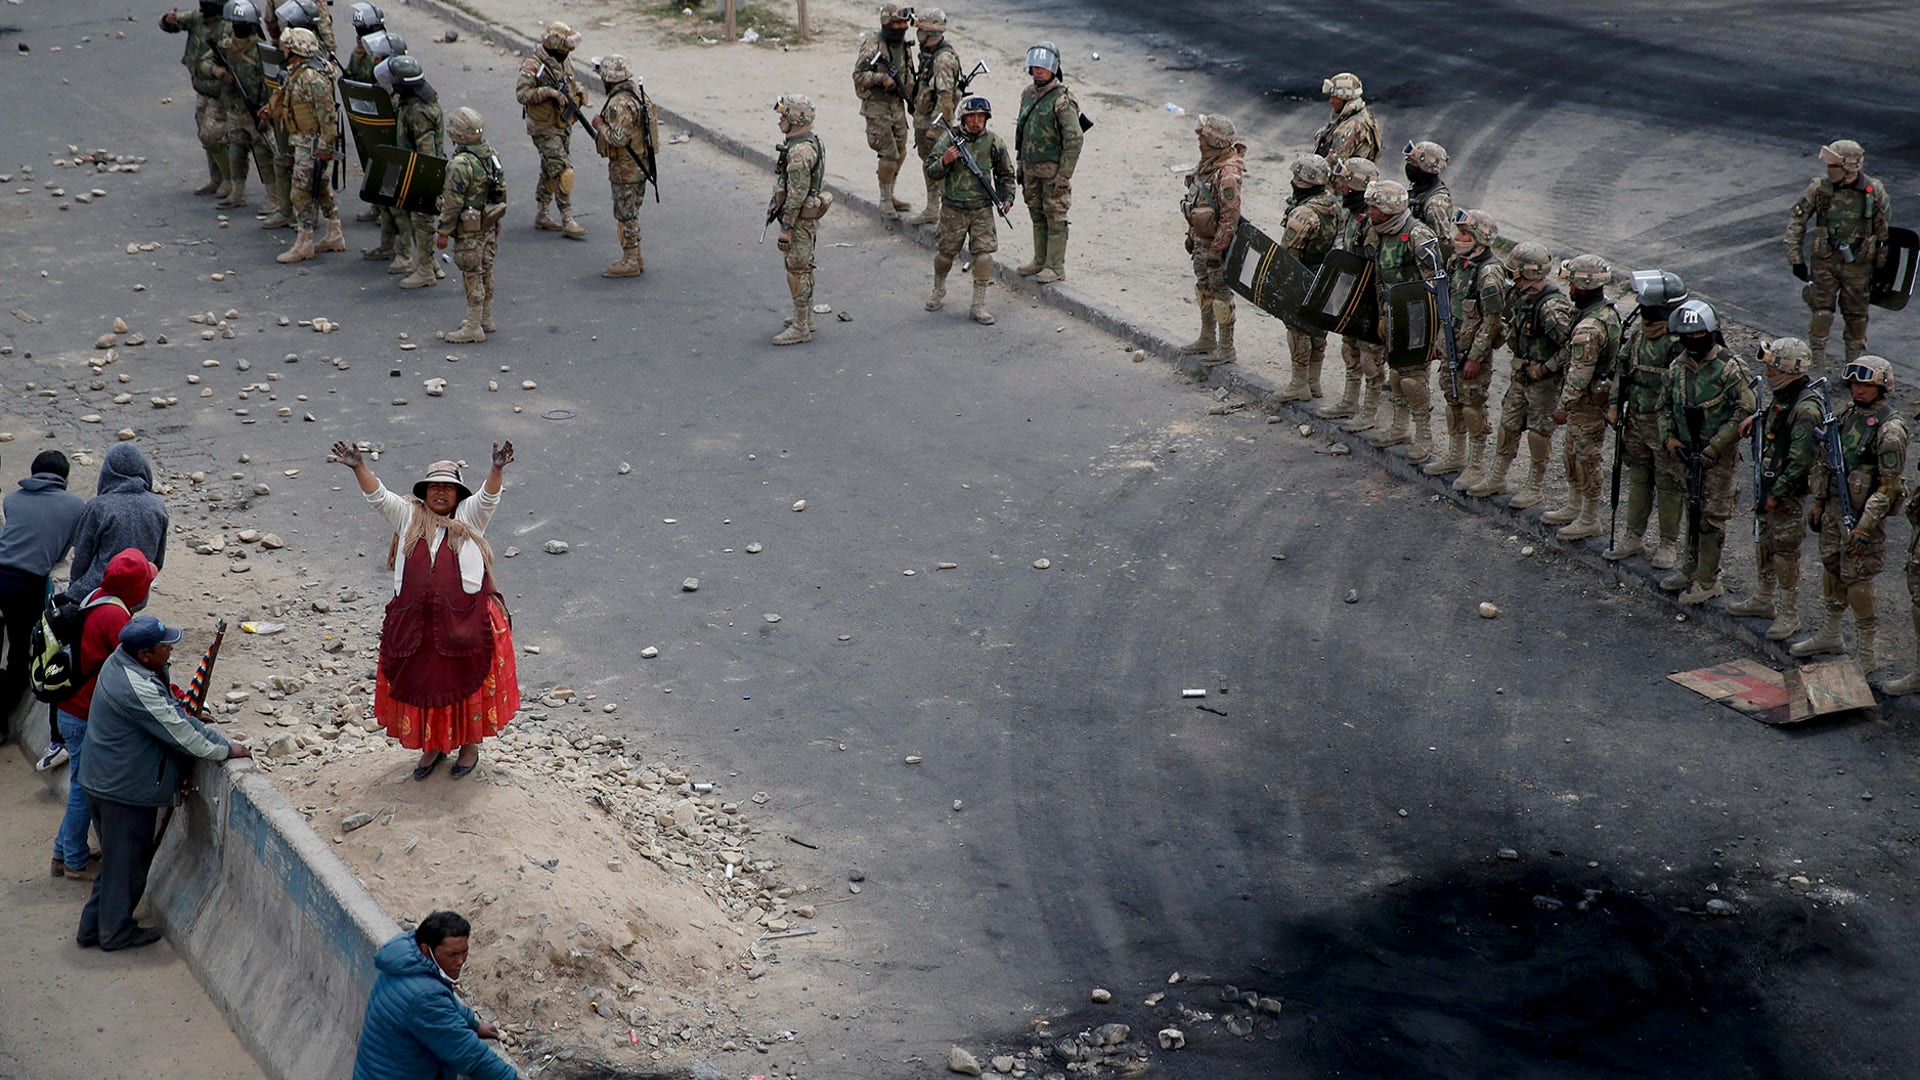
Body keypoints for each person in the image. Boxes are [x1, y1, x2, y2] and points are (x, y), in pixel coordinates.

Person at [333, 442, 518, 779]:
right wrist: (359, 466)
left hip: (465, 623)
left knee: (466, 684)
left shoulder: (469, 518)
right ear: (425, 492)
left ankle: (469, 746)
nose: (441, 493)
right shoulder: (407, 518)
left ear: (458, 494)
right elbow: (379, 496)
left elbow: (489, 497)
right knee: (424, 684)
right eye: (435, 487)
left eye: (448, 487)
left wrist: (496, 470)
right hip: (417, 626)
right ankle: (433, 746)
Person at [79, 614, 250, 951]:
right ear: (145, 654)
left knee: (116, 861)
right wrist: (225, 748)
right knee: (128, 864)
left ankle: (93, 927)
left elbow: (167, 712)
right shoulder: (135, 685)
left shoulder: (122, 663)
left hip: (104, 780)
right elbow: (178, 730)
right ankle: (114, 932)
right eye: (165, 646)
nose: (171, 650)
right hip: (123, 790)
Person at [1791, 356, 1906, 667]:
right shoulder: (1846, 416)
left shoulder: (1890, 429)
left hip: (1861, 517)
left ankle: (1866, 652)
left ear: (1882, 386)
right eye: (1855, 384)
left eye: (1866, 385)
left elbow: (1889, 486)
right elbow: (1825, 459)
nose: (1859, 390)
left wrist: (1866, 527)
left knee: (1858, 578)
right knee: (1832, 567)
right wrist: (1817, 500)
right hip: (1833, 508)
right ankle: (1831, 633)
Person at [49, 550, 155, 883]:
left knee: (81, 784)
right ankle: (75, 862)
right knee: (83, 788)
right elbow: (137, 667)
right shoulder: (116, 618)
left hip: (70, 708)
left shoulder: (98, 597)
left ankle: (63, 850)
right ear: (137, 589)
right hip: (82, 715)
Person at [1655, 300, 1756, 604]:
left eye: (1699, 336)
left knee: (1711, 517)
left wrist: (1715, 446)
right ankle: (1690, 568)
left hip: (1717, 457)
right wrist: (1669, 439)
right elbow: (1663, 407)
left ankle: (1709, 579)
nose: (1693, 343)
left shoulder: (1730, 368)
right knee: (1692, 508)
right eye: (1687, 337)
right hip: (1686, 453)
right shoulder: (1678, 367)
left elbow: (1746, 410)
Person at [1727, 338, 1823, 640]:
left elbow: (1800, 462)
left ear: (1787, 370)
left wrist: (1776, 494)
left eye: (1772, 366)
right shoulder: (1784, 396)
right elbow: (1776, 421)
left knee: (1785, 552)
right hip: (1770, 485)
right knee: (1764, 542)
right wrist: (1758, 419)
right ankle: (1763, 597)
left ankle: (1788, 613)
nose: (1767, 372)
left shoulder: (1806, 408)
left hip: (1785, 493)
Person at [352, 911, 519, 1080]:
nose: (460, 961)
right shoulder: (423, 996)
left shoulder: (407, 962)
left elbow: (445, 1001)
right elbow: (471, 1055)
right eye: (452, 954)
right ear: (427, 949)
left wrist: (472, 1023)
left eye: (464, 952)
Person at [1601, 270, 1688, 563]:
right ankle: (1633, 537)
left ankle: (1668, 544)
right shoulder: (1640, 330)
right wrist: (1614, 404)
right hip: (1637, 419)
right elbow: (1623, 368)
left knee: (1668, 482)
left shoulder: (1680, 341)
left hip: (1665, 426)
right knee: (1638, 478)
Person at [1785, 140, 1891, 368]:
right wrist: (1796, 259)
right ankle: (1818, 365)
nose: (1829, 170)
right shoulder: (1819, 189)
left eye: (1834, 166)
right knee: (1821, 311)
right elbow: (1797, 221)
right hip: (1825, 261)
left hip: (1859, 265)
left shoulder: (1873, 191)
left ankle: (1853, 365)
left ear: (1850, 167)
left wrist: (1882, 262)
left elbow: (1883, 229)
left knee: (1857, 316)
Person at [1355, 179, 1442, 459]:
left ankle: (1425, 437)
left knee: (1413, 380)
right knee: (1395, 377)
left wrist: (1436, 333)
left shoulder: (1418, 235)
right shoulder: (1380, 231)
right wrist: (1382, 315)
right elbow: (1380, 278)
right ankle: (1400, 427)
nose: (1369, 211)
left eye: (1374, 206)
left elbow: (1437, 287)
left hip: (1417, 318)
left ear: (1390, 208)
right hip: (1392, 315)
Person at [1488, 242, 1574, 508]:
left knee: (1538, 433)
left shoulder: (1551, 308)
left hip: (1544, 383)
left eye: (1516, 273)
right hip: (1521, 375)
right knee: (1508, 423)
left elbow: (1572, 348)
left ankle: (1534, 486)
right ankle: (1498, 476)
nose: (1512, 277)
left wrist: (1546, 368)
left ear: (1530, 274)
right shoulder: (1521, 297)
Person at [0, 451, 85, 718]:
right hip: (26, 584)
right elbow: (60, 553)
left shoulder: (11, 500)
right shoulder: (76, 506)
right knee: (20, 649)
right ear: (64, 477)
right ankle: (2, 719)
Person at [1544, 253, 1623, 540]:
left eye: (1573, 285)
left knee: (1586, 458)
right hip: (1586, 402)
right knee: (1572, 454)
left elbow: (1579, 373)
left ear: (1583, 285)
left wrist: (1563, 406)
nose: (1569, 290)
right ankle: (1574, 505)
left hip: (1588, 404)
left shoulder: (1590, 327)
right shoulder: (1599, 312)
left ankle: (1589, 517)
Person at [1432, 209, 1506, 489]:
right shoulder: (1457, 262)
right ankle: (1455, 455)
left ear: (1479, 239)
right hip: (1452, 346)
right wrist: (1442, 343)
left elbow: (1492, 321)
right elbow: (1447, 307)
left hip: (1474, 353)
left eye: (1464, 234)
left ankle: (1475, 466)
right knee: (1452, 401)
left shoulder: (1489, 273)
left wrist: (1476, 357)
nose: (1457, 238)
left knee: (1473, 408)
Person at [925, 95, 1015, 326]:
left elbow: (1006, 174)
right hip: (953, 208)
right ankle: (938, 289)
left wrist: (1007, 199)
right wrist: (945, 160)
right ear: (964, 118)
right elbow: (931, 170)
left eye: (981, 117)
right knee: (945, 255)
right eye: (972, 117)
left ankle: (978, 304)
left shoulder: (994, 142)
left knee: (983, 257)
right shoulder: (949, 139)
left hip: (982, 209)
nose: (976, 122)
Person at [265, 26, 346, 263]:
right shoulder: (299, 71)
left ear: (295, 50)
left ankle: (304, 242)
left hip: (312, 144)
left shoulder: (313, 78)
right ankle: (334, 233)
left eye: (286, 46)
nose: (283, 49)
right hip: (304, 140)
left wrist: (323, 148)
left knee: (300, 193)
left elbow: (328, 118)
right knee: (320, 189)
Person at [1270, 154, 1345, 403]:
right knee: (1318, 328)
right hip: (1326, 276)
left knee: (1298, 328)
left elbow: (1288, 255)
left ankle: (1299, 383)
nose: (1293, 181)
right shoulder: (1334, 206)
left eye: (1298, 178)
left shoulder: (1303, 214)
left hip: (1303, 275)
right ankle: (1314, 381)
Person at [1316, 157, 1382, 421]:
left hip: (1370, 299)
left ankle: (1369, 412)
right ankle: (1349, 402)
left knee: (1371, 359)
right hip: (1352, 294)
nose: (1341, 185)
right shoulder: (1353, 214)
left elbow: (1375, 266)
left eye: (1346, 180)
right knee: (1350, 350)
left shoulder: (1372, 220)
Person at [434, 107, 507, 344]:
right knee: (486, 270)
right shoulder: (491, 155)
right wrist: (497, 221)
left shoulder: (459, 165)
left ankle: (474, 327)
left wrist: (443, 232)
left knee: (472, 274)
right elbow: (500, 191)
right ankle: (485, 318)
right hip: (487, 224)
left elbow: (452, 203)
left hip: (468, 231)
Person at [1178, 113, 1245, 366]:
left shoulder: (1227, 173)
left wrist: (1217, 250)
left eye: (1203, 136)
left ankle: (1226, 348)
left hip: (1214, 246)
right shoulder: (1208, 165)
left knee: (1221, 295)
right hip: (1201, 242)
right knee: (1203, 290)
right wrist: (1192, 236)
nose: (1199, 140)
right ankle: (1207, 338)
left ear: (1214, 142)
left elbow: (1230, 217)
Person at [65, 444, 169, 604]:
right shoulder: (158, 506)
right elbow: (157, 561)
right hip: (135, 595)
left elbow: (82, 557)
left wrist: (74, 591)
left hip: (96, 593)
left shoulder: (99, 507)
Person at [1013, 41, 1082, 284]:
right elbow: (1022, 130)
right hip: (1031, 169)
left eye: (1043, 67)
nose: (1038, 70)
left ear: (1054, 68)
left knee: (1055, 216)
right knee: (1036, 213)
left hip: (1053, 172)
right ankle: (1040, 260)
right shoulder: (1028, 94)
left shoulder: (1062, 101)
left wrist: (1064, 175)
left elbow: (1074, 138)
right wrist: (1021, 163)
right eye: (1035, 66)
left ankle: (1055, 267)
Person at [515, 22, 589, 239]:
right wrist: (549, 93)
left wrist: (580, 92)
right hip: (543, 126)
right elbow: (522, 94)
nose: (567, 52)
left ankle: (543, 213)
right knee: (563, 170)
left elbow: (570, 81)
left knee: (550, 169)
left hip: (562, 123)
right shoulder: (533, 64)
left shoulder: (563, 59)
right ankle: (567, 218)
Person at [589, 54, 658, 279]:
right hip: (641, 163)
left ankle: (630, 259)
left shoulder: (619, 104)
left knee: (626, 214)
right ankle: (636, 254)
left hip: (626, 168)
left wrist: (600, 126)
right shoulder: (637, 96)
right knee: (632, 211)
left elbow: (619, 138)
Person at [382, 55, 447, 289]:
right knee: (407, 213)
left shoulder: (419, 111)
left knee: (422, 220)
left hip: (421, 173)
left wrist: (420, 183)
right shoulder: (412, 101)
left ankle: (426, 270)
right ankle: (428, 262)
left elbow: (426, 152)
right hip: (412, 167)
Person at [770, 95, 828, 346]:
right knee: (806, 267)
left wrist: (786, 228)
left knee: (797, 270)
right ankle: (805, 317)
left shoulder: (799, 153)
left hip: (799, 222)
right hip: (806, 219)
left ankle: (800, 326)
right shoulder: (810, 142)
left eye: (784, 116)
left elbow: (796, 195)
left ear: (796, 120)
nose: (780, 120)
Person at [161, 0, 232, 198]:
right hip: (202, 88)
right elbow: (172, 24)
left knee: (212, 134)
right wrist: (168, 20)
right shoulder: (196, 18)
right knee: (204, 132)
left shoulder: (228, 26)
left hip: (220, 92)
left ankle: (230, 180)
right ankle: (216, 178)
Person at [209, 1, 275, 213]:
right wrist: (218, 72)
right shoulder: (225, 46)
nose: (239, 28)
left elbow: (270, 82)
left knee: (263, 152)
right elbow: (203, 62)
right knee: (236, 149)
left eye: (243, 24)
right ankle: (237, 192)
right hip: (234, 107)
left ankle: (273, 196)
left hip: (255, 110)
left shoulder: (261, 50)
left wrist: (266, 109)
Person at [853, 4, 916, 221]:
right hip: (877, 107)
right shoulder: (873, 46)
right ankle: (884, 199)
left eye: (903, 23)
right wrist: (882, 79)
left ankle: (891, 192)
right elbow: (859, 75)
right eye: (896, 23)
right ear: (886, 24)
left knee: (901, 150)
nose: (901, 27)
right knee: (889, 154)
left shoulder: (904, 46)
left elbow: (908, 71)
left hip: (897, 105)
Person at [904, 8, 961, 226]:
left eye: (920, 30)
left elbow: (945, 98)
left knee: (940, 168)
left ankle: (946, 215)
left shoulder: (942, 59)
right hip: (925, 120)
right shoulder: (930, 53)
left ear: (930, 32)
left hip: (933, 124)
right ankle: (932, 209)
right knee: (930, 165)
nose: (917, 34)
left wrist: (936, 130)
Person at [1311, 72, 1380, 163]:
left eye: (1334, 97)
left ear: (1345, 98)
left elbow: (1331, 165)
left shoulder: (1349, 128)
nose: (1330, 101)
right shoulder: (1366, 117)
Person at [1403, 140, 1452, 247]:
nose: (1409, 165)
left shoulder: (1435, 204)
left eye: (1414, 162)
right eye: (1409, 161)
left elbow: (1441, 244)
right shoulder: (1417, 187)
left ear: (1427, 169)